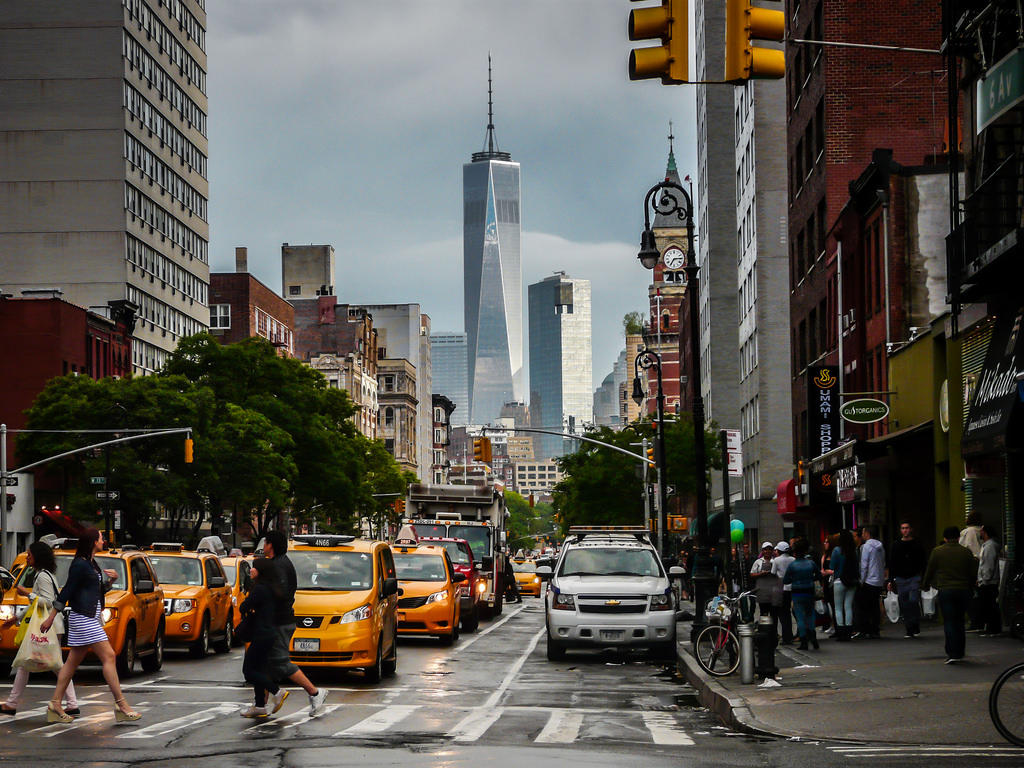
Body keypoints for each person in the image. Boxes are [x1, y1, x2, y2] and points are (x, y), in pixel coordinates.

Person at [39, 528, 139, 723]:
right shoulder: (79, 565)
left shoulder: (91, 564)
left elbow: (94, 590)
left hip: (90, 617)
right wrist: (51, 617)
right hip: (82, 617)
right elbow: (67, 591)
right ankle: (121, 704)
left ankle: (55, 704)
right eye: (101, 538)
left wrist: (111, 582)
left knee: (71, 663)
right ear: (94, 541)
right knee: (109, 656)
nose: (104, 541)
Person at [2, 541, 78, 716]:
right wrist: (16, 618)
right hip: (51, 625)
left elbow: (48, 602)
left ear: (37, 557)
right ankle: (72, 703)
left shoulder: (42, 576)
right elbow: (39, 605)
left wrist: (27, 593)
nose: (27, 558)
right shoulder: (45, 574)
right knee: (32, 664)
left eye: (29, 555)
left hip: (47, 626)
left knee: (48, 664)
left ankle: (12, 703)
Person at [262, 531, 328, 715]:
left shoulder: (279, 565)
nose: (263, 546)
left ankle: (315, 692)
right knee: (264, 663)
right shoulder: (280, 563)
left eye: (265, 542)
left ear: (271, 545)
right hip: (279, 620)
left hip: (279, 621)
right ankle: (261, 703)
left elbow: (281, 593)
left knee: (281, 662)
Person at [238, 558, 289, 718]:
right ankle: (260, 705)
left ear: (261, 572)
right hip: (268, 633)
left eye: (254, 568)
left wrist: (249, 603)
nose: (251, 571)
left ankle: (277, 691)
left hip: (261, 634)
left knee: (249, 671)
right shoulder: (271, 588)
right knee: (259, 669)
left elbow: (243, 607)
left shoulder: (260, 589)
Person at [922, 525, 979, 664]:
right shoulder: (966, 552)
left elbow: (930, 570)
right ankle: (959, 651)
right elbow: (972, 573)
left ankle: (952, 652)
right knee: (959, 621)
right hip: (963, 590)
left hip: (946, 590)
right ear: (958, 537)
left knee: (949, 621)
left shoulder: (937, 552)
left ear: (945, 538)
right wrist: (970, 587)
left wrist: (925, 585)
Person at [887, 521, 927, 638]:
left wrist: (922, 575)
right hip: (900, 578)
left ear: (911, 529)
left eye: (907, 528)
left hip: (914, 576)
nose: (905, 530)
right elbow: (892, 562)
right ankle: (910, 627)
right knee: (904, 603)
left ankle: (914, 624)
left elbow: (922, 560)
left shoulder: (917, 544)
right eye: (903, 528)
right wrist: (890, 580)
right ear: (900, 530)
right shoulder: (896, 545)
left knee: (913, 600)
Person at [783, 538, 821, 650]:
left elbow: (786, 581)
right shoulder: (811, 563)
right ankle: (813, 636)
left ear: (795, 552)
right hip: (809, 590)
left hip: (797, 592)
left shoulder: (792, 565)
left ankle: (803, 640)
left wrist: (794, 579)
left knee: (800, 616)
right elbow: (818, 575)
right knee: (810, 614)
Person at [855, 526, 886, 639]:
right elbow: (883, 562)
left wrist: (861, 580)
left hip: (868, 580)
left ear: (867, 533)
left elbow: (864, 565)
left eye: (863, 532)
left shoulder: (866, 546)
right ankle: (875, 629)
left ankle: (865, 629)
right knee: (875, 606)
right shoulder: (880, 546)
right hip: (878, 580)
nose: (862, 535)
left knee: (864, 606)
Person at [830, 530, 858, 641]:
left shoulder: (837, 550)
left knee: (838, 608)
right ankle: (848, 631)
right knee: (848, 606)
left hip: (839, 580)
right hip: (852, 581)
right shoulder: (854, 551)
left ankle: (841, 632)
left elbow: (832, 567)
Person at [977, 525, 1002, 637]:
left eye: (981, 531)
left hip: (989, 582)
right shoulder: (988, 545)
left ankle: (993, 629)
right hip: (988, 580)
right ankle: (992, 628)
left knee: (989, 605)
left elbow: (988, 564)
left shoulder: (990, 546)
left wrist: (984, 579)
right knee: (989, 605)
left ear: (985, 532)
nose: (980, 533)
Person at [771, 542, 795, 644]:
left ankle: (785, 637)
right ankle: (789, 636)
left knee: (782, 613)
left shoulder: (776, 560)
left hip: (781, 587)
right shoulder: (793, 559)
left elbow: (773, 573)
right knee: (788, 613)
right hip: (792, 587)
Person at [749, 542, 779, 621]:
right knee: (763, 614)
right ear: (762, 551)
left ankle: (774, 632)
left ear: (772, 551)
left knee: (774, 614)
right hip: (762, 592)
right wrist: (761, 574)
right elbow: (751, 574)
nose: (767, 551)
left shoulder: (775, 561)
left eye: (769, 549)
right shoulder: (758, 562)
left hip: (773, 592)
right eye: (765, 550)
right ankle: (764, 632)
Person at [820, 535, 837, 635]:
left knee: (834, 605)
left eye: (827, 542)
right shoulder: (824, 556)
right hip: (826, 582)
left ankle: (835, 625)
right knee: (829, 605)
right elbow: (822, 569)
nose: (825, 544)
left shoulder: (835, 554)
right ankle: (831, 624)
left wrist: (829, 572)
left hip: (833, 581)